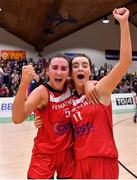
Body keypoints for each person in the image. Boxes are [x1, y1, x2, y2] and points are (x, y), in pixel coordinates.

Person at [69, 7, 132, 179]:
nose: (80, 68)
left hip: (103, 162)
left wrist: (124, 23)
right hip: (79, 164)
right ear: (71, 73)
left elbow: (125, 61)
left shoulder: (100, 89)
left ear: (90, 71)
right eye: (75, 66)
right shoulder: (69, 99)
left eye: (84, 65)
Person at [12, 54, 74, 179]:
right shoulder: (41, 92)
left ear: (68, 72)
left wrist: (89, 83)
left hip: (68, 153)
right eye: (54, 67)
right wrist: (24, 83)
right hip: (44, 154)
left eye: (63, 68)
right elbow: (17, 118)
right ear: (47, 71)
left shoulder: (72, 86)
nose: (59, 72)